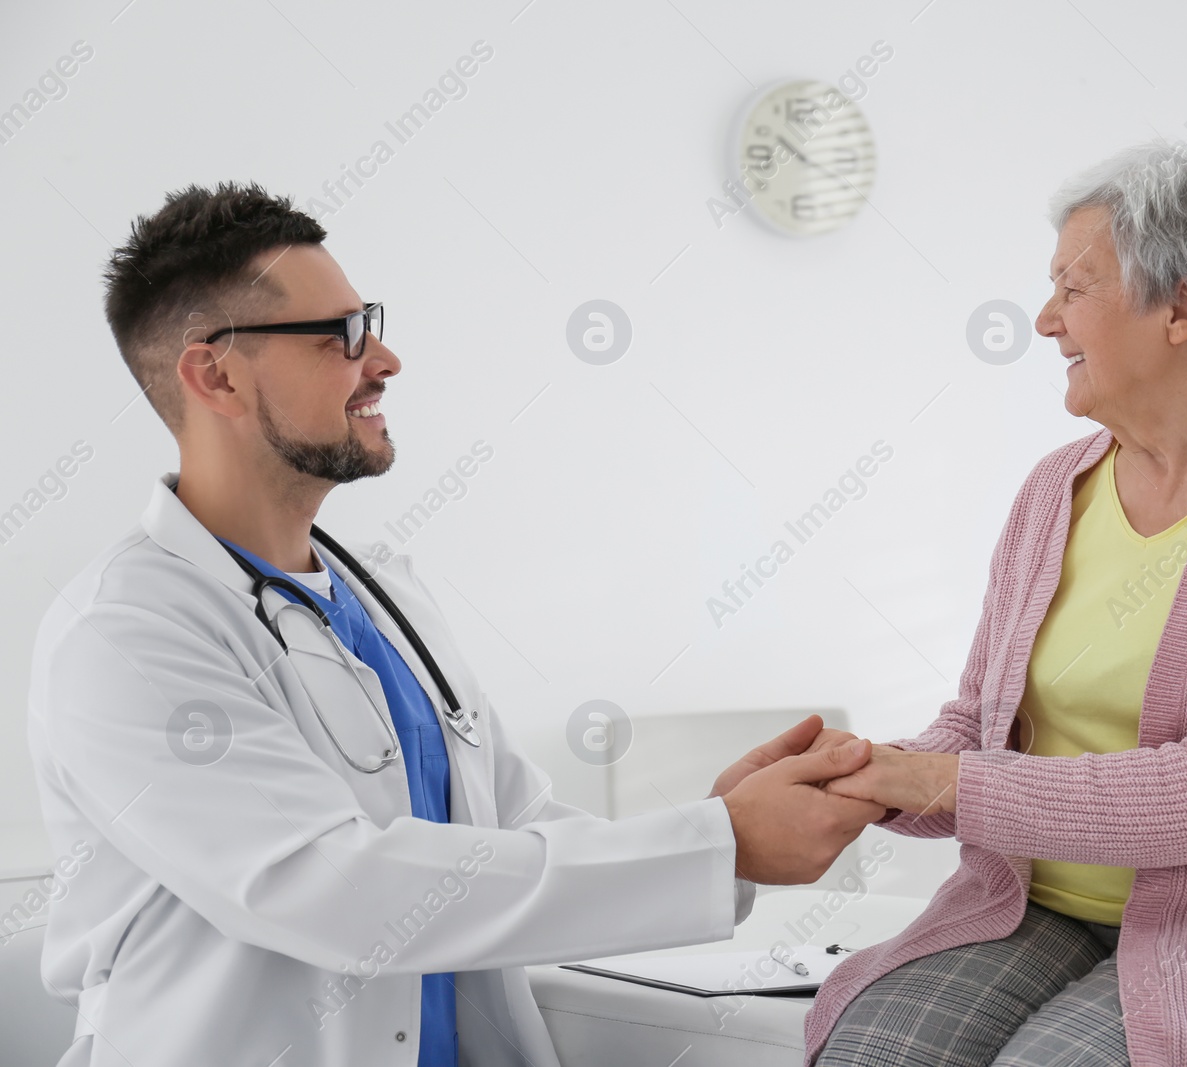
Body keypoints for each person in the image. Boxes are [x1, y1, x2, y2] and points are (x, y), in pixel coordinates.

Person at [27, 181, 884, 1067]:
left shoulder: (382, 593)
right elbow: (333, 888)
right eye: (344, 334)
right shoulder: (125, 633)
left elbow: (515, 829)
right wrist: (720, 843)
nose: (386, 359)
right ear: (216, 373)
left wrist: (722, 832)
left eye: (374, 322)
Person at [808, 141, 1187, 1067]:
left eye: (1074, 287)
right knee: (873, 1052)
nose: (1045, 320)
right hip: (1034, 905)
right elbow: (979, 727)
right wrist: (862, 771)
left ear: (1183, 305)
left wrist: (934, 784)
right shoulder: (1057, 487)